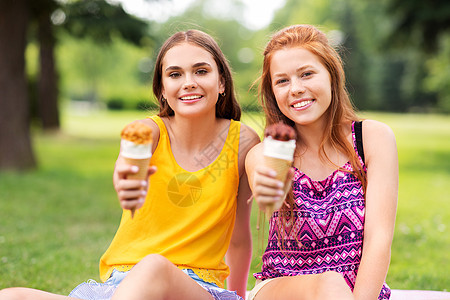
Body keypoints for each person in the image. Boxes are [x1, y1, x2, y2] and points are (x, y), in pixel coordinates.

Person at [0, 29, 259, 300]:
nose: (189, 82)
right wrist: (125, 174)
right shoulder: (150, 131)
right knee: (10, 296)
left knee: (154, 266)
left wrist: (237, 295)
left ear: (222, 83)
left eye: (201, 71)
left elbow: (238, 238)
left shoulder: (241, 142)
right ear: (161, 90)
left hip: (197, 288)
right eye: (174, 74)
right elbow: (131, 155)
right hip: (121, 286)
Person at [245, 24, 398, 300]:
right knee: (329, 284)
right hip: (281, 290)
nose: (296, 89)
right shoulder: (267, 153)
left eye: (306, 74)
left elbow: (379, 239)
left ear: (331, 75)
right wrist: (269, 182)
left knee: (333, 286)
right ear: (272, 91)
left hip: (354, 293)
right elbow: (263, 176)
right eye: (282, 81)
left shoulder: (372, 139)